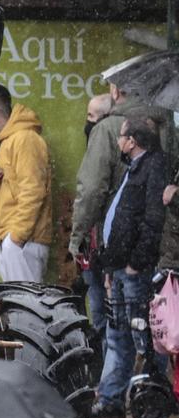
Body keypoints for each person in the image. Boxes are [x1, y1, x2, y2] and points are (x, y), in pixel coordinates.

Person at [72, 83, 165, 357]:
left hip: (120, 249)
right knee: (141, 324)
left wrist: (77, 238)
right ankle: (128, 382)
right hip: (137, 251)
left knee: (116, 324)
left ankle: (116, 379)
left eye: (91, 116)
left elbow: (91, 190)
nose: (90, 122)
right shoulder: (161, 127)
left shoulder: (110, 129)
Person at [92, 116, 169, 418]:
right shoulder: (134, 168)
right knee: (118, 333)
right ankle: (111, 398)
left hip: (134, 268)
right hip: (120, 266)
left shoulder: (152, 167)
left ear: (132, 141)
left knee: (143, 335)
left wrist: (137, 262)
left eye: (121, 136)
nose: (118, 141)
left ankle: (150, 397)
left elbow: (152, 219)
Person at [0, 84, 52, 283]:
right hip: (18, 240)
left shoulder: (25, 139)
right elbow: (18, 189)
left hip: (23, 241)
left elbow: (34, 191)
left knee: (25, 305)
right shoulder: (11, 140)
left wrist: (16, 237)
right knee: (20, 305)